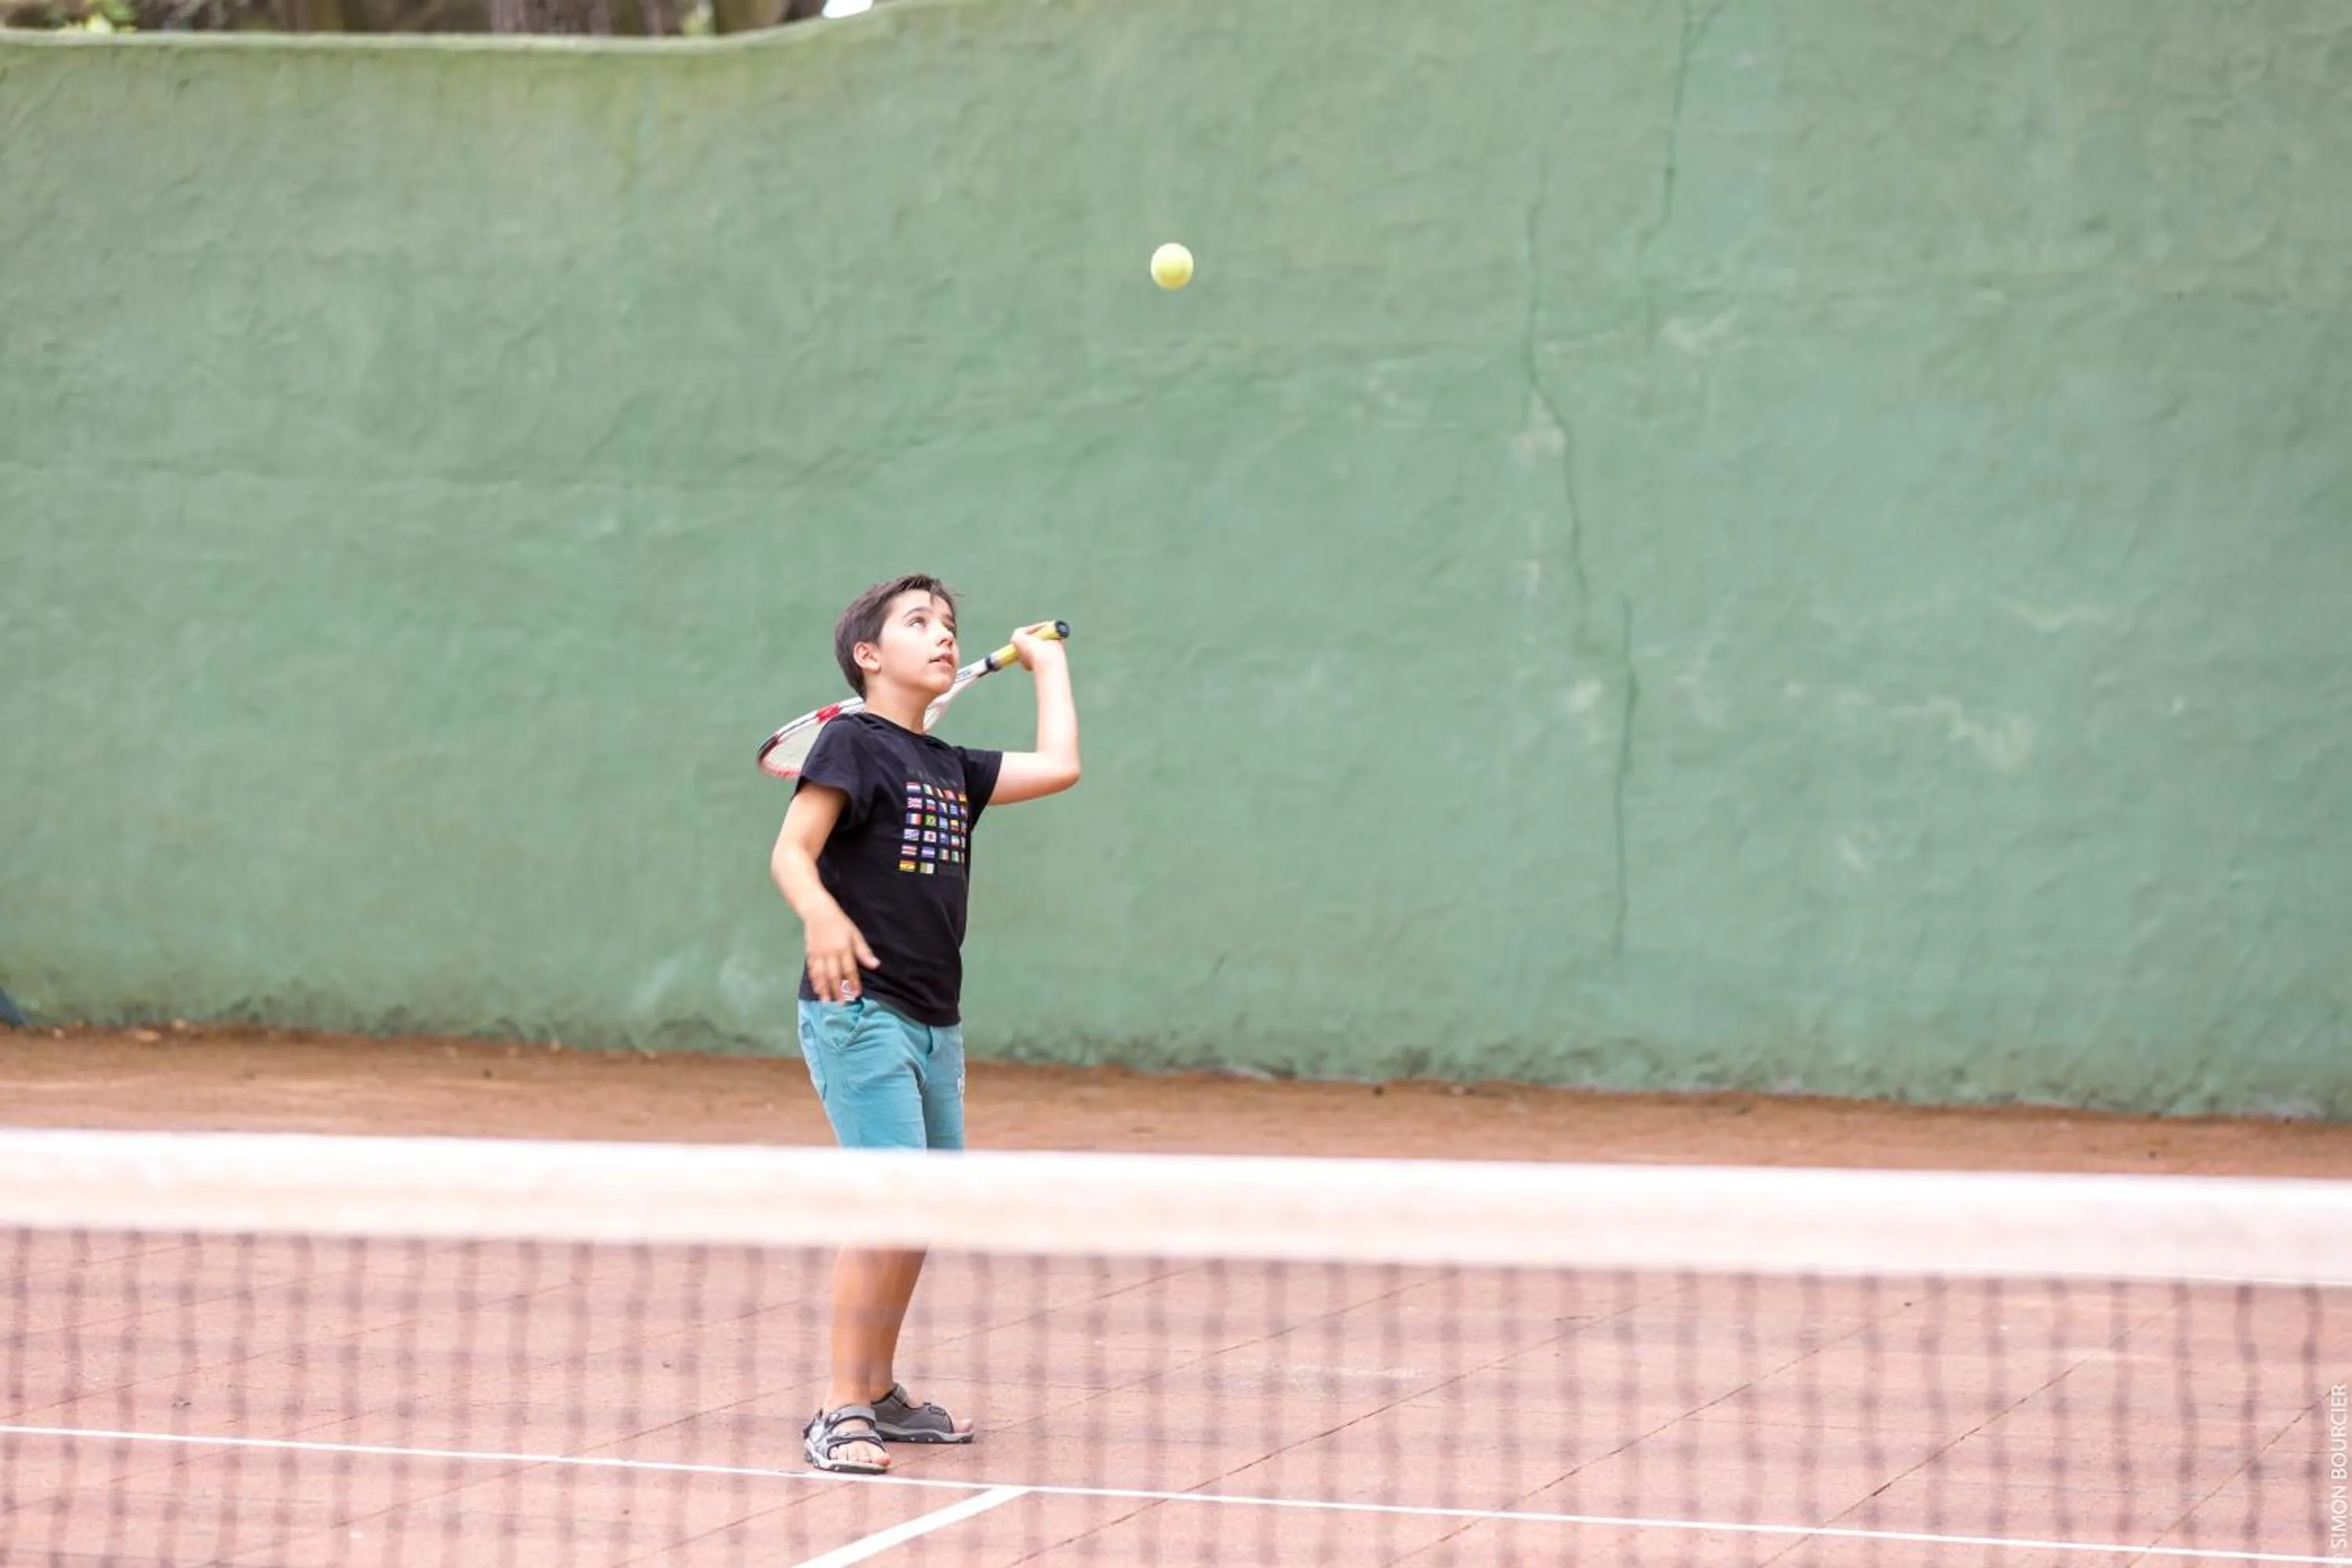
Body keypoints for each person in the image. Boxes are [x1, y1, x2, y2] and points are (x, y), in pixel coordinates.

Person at [767, 573, 1080, 1473]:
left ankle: (876, 1386)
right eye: (917, 622)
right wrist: (823, 916)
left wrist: (1047, 666)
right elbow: (793, 850)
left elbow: (1059, 766)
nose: (943, 634)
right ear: (869, 656)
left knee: (923, 1206)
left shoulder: (950, 765)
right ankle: (837, 1406)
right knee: (889, 1201)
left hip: (936, 1018)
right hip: (858, 1010)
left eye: (949, 624)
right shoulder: (849, 744)